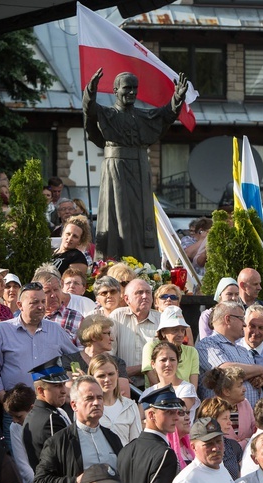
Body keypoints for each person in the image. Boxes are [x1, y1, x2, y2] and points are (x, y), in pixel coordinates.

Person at [83, 67, 188, 262]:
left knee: (141, 218)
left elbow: (165, 115)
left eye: (134, 88)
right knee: (119, 216)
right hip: (117, 170)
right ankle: (116, 260)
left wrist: (177, 98)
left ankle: (144, 262)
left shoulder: (143, 116)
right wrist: (91, 90)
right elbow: (89, 109)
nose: (131, 92)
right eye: (127, 88)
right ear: (115, 90)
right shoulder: (107, 114)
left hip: (140, 169)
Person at [34, 376, 123, 483]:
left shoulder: (113, 438)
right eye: (89, 398)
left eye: (100, 398)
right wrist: (75, 482)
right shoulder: (58, 442)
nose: (96, 403)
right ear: (74, 405)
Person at [0, 281, 78, 408]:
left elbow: (75, 361)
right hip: (16, 409)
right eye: (34, 302)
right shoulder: (3, 330)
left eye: (43, 302)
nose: (40, 307)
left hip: (51, 407)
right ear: (20, 305)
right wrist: (5, 400)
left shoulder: (55, 330)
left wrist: (68, 386)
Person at [117, 385, 184, 483]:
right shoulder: (165, 454)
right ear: (151, 415)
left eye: (177, 412)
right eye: (169, 412)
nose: (176, 417)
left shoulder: (126, 449)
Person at [195, 301, 263, 406]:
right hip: (224, 417)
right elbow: (225, 371)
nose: (244, 324)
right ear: (228, 319)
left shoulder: (243, 349)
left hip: (250, 417)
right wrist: (260, 369)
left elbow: (252, 375)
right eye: (241, 319)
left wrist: (258, 379)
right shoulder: (207, 344)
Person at [170, 417, 247, 483]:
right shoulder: (188, 480)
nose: (216, 448)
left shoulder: (221, 469)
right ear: (193, 447)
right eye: (208, 444)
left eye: (219, 441)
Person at [22, 357, 72, 469]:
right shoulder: (50, 419)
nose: (64, 390)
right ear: (40, 391)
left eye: (63, 384)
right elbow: (66, 460)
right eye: (57, 386)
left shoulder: (38, 414)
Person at [110, 279, 161, 389]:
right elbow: (109, 353)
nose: (145, 296)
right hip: (122, 384)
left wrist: (140, 368)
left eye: (148, 292)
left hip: (154, 384)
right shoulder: (117, 317)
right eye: (139, 293)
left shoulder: (161, 319)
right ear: (127, 299)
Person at [89, 353, 142, 445]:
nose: (107, 379)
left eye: (111, 374)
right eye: (101, 376)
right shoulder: (86, 407)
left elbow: (137, 444)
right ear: (92, 377)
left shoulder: (130, 406)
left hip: (126, 458)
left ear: (117, 374)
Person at [142, 306, 200, 387]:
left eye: (182, 330)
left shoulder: (192, 352)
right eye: (175, 330)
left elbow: (193, 387)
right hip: (157, 397)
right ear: (163, 332)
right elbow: (154, 383)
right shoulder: (150, 347)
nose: (180, 334)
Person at [145, 341, 198, 422]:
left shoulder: (187, 389)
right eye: (163, 360)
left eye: (172, 359)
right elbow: (138, 422)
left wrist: (150, 420)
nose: (168, 364)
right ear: (153, 364)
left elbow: (177, 414)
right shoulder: (146, 393)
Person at [203, 366, 255, 448]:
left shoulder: (245, 404)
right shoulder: (213, 410)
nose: (244, 389)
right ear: (226, 391)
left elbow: (255, 429)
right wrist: (246, 442)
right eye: (239, 386)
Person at [196, 396, 244, 479]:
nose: (230, 423)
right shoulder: (198, 448)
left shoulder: (233, 446)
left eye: (229, 418)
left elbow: (240, 479)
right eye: (225, 418)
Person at [3, 383, 37, 483]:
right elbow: (23, 466)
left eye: (18, 416)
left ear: (32, 409)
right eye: (12, 416)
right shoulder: (15, 427)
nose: (14, 421)